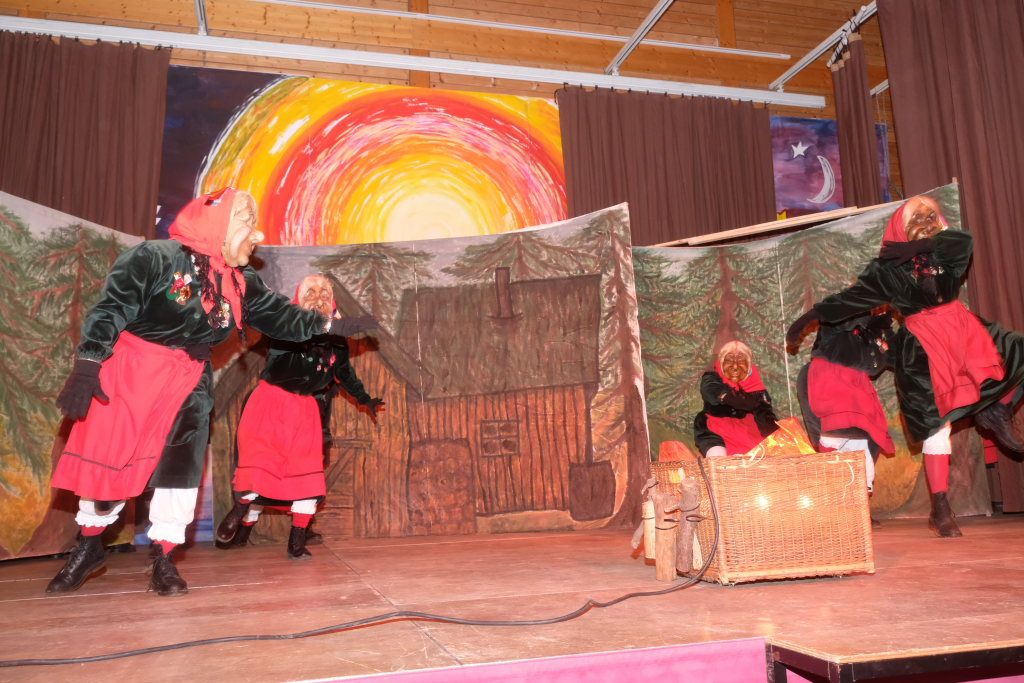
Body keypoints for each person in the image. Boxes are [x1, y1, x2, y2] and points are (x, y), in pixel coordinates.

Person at [47, 188, 376, 596]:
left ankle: (164, 557)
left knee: (179, 467)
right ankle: (90, 544)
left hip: (189, 381)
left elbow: (281, 316)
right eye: (247, 223)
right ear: (218, 223)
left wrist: (331, 326)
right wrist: (88, 363)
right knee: (111, 460)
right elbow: (111, 308)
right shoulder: (156, 258)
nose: (257, 235)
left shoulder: (240, 281)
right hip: (133, 374)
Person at [787, 195, 1024, 537]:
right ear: (900, 226)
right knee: (936, 427)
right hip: (922, 348)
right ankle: (940, 509)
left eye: (931, 216)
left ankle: (997, 410)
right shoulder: (888, 270)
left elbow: (964, 241)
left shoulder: (947, 253)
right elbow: (852, 298)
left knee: (1016, 352)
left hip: (962, 332)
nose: (925, 221)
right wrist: (810, 317)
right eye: (917, 217)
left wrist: (924, 244)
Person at [216, 274, 384, 559]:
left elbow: (344, 373)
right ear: (298, 298)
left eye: (324, 292)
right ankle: (239, 511)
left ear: (332, 301)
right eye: (311, 292)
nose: (318, 297)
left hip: (305, 410)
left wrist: (364, 398)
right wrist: (323, 326)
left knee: (307, 475)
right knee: (261, 464)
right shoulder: (287, 327)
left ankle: (296, 542)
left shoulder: (337, 341)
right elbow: (293, 336)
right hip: (272, 403)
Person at [797, 312, 896, 494]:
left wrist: (883, 330)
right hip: (834, 407)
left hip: (858, 408)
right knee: (834, 453)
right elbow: (840, 321)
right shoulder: (834, 332)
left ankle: (855, 497)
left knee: (863, 451)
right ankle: (841, 496)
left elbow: (877, 365)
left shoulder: (866, 336)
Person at [693, 341, 780, 457]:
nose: (735, 366)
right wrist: (732, 398)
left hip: (748, 430)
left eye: (741, 360)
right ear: (722, 361)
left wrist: (776, 436)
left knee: (761, 457)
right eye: (729, 360)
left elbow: (765, 414)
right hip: (715, 428)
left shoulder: (756, 386)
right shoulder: (713, 377)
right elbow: (711, 390)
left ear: (748, 364)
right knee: (718, 459)